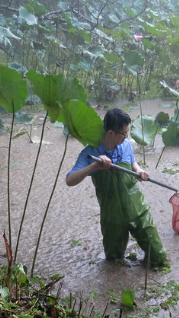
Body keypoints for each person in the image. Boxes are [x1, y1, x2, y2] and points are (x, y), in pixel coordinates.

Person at [65, 108, 169, 271]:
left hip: (137, 208)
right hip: (112, 215)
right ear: (111, 133)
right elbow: (70, 180)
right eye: (124, 133)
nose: (127, 136)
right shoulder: (91, 152)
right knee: (113, 262)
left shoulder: (125, 145)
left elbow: (133, 162)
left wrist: (139, 171)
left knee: (158, 256)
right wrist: (94, 166)